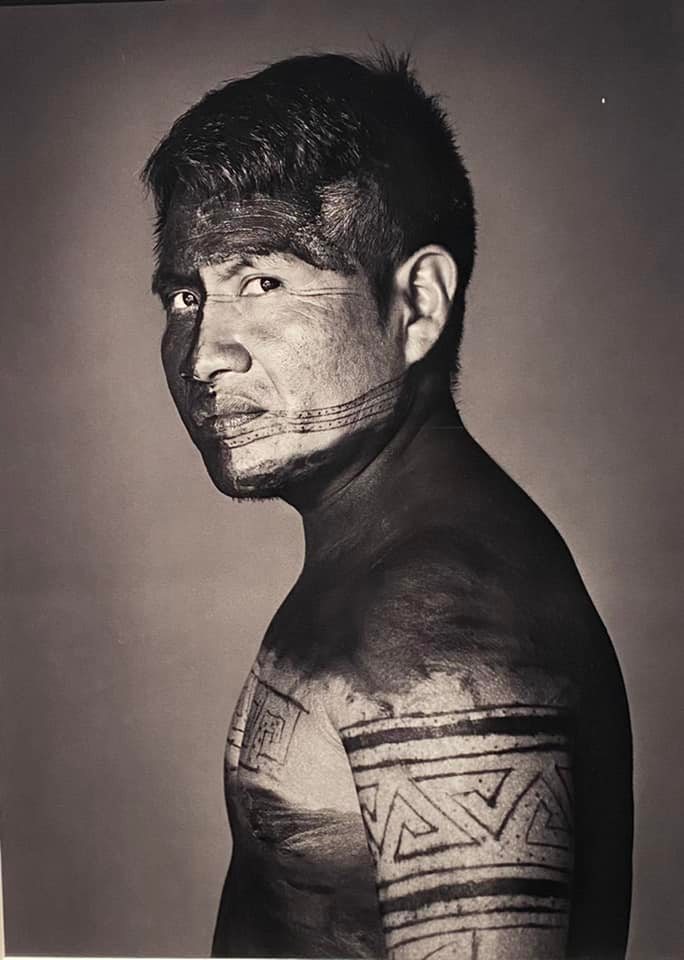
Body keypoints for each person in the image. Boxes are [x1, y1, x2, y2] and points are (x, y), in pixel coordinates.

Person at [142, 52, 632, 960]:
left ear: (417, 305)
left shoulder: (440, 633)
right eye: (186, 294)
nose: (205, 354)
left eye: (262, 282)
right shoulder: (381, 563)